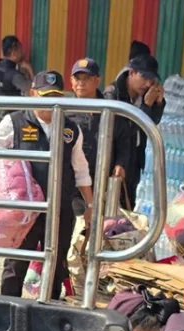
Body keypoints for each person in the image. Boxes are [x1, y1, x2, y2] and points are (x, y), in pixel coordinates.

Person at [0, 70, 93, 300]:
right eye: (45, 95)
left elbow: (80, 169)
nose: (51, 102)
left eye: (56, 96)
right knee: (17, 262)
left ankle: (48, 308)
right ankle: (7, 307)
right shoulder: (15, 121)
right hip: (24, 209)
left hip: (59, 208)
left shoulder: (71, 128)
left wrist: (90, 205)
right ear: (33, 94)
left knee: (56, 262)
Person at [67, 57, 132, 214]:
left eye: (87, 78)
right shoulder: (65, 112)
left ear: (97, 80)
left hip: (104, 186)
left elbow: (124, 140)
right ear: (71, 81)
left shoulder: (111, 109)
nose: (81, 83)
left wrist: (121, 164)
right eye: (77, 78)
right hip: (74, 188)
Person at [104, 54, 165, 207]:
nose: (147, 83)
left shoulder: (144, 94)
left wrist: (157, 104)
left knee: (129, 205)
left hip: (134, 158)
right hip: (114, 160)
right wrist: (145, 106)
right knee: (111, 207)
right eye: (144, 77)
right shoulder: (113, 93)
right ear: (131, 72)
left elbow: (151, 123)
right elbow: (121, 130)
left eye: (151, 79)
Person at [0, 35, 34, 134]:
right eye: (20, 50)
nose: (23, 53)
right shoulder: (14, 75)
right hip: (9, 122)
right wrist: (29, 68)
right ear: (14, 52)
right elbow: (33, 90)